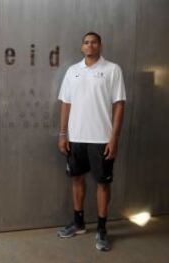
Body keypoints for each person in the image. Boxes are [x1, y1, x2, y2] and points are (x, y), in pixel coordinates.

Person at [56, 32, 126, 251]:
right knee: (77, 179)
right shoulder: (72, 71)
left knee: (102, 183)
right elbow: (66, 103)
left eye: (93, 42)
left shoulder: (112, 70)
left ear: (100, 46)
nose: (90, 45)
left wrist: (113, 138)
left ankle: (102, 230)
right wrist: (63, 133)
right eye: (86, 42)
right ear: (81, 47)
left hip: (101, 139)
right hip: (76, 138)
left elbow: (119, 105)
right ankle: (78, 224)